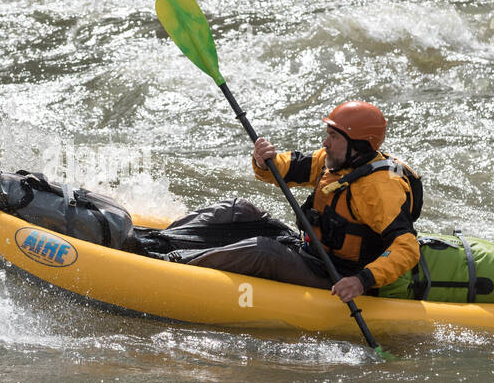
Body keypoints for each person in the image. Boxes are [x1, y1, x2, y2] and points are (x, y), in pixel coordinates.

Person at [164, 101, 420, 302]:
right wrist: (264, 160)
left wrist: (362, 280)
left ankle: (170, 267)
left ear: (359, 145)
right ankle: (160, 240)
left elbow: (406, 248)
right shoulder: (334, 163)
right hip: (312, 252)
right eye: (327, 134)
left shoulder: (380, 189)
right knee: (238, 209)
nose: (325, 142)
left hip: (339, 275)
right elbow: (286, 168)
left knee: (263, 251)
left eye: (334, 136)